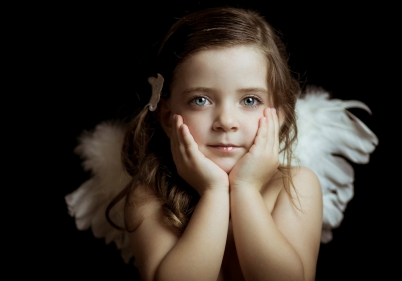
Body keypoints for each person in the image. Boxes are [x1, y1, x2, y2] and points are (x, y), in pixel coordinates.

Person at [65, 6, 378, 281]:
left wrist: (245, 190)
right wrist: (214, 192)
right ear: (166, 117)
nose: (226, 121)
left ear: (281, 116)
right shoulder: (149, 194)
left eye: (250, 100)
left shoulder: (296, 185)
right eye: (200, 100)